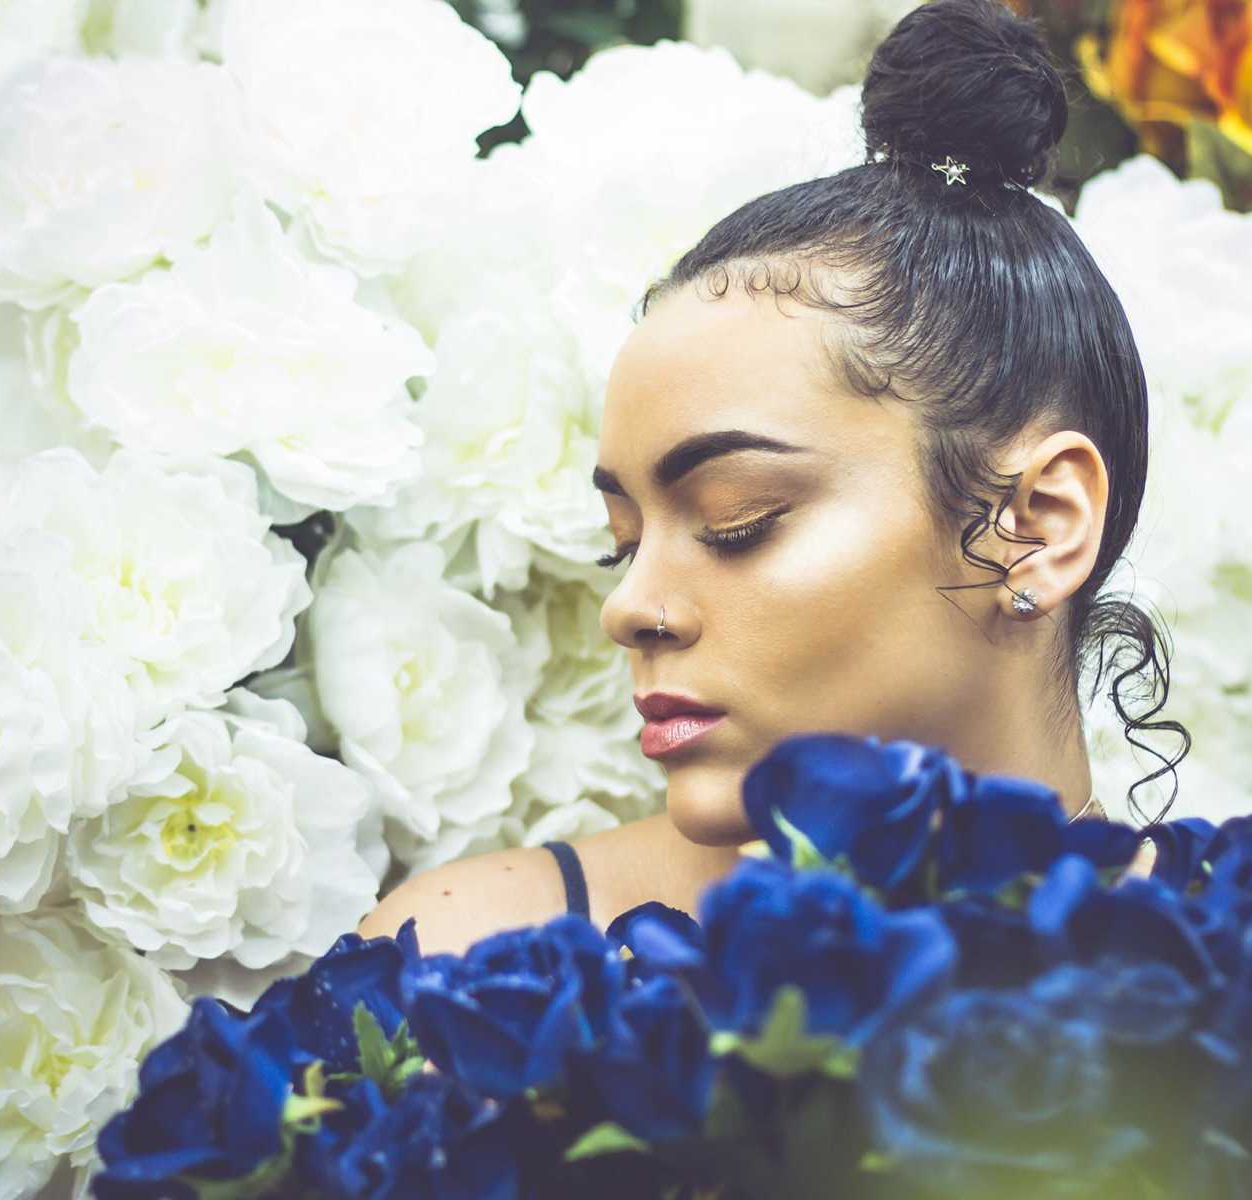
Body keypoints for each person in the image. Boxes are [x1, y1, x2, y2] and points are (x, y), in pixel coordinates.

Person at [359, 0, 1189, 956]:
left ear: (1038, 524)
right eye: (621, 546)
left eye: (734, 521)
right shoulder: (474, 963)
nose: (628, 610)